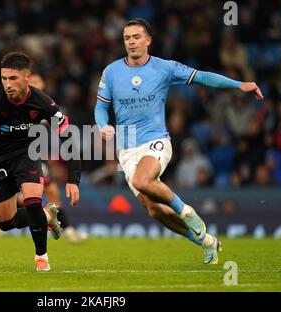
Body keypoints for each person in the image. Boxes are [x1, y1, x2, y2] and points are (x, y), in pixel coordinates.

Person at [94, 18, 263, 264]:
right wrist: (103, 125)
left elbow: (203, 77)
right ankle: (207, 241)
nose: (131, 42)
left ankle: (186, 211)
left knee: (143, 180)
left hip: (156, 139)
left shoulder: (164, 68)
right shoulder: (111, 71)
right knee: (154, 210)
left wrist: (239, 85)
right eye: (127, 38)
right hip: (127, 147)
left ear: (148, 40)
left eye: (136, 37)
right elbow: (100, 107)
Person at [0, 52, 81, 271]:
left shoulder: (44, 103)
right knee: (5, 222)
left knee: (32, 200)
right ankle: (47, 215)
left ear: (27, 77)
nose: (7, 84)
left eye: (13, 78)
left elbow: (69, 138)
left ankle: (42, 259)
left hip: (26, 154)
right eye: (3, 78)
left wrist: (73, 179)